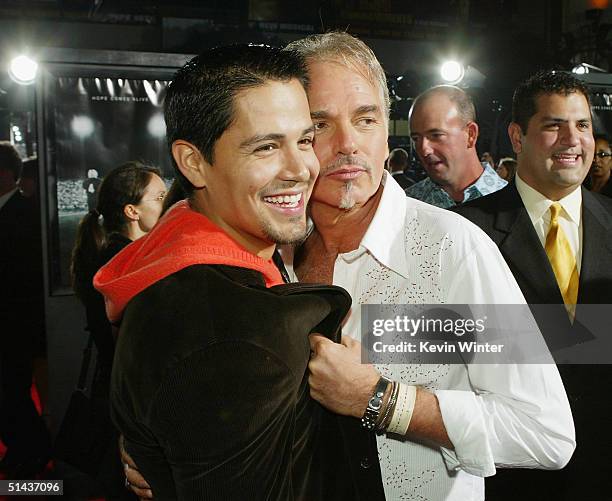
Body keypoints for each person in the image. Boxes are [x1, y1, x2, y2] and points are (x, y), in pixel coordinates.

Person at [122, 35, 575, 501]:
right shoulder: (259, 251)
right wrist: (161, 445)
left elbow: (545, 431)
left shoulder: (450, 250)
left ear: (387, 131)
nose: (347, 145)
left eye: (365, 119)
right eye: (319, 124)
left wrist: (383, 401)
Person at [95, 45, 367, 500]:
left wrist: (382, 399)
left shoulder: (457, 239)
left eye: (305, 138)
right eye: (266, 146)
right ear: (193, 163)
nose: (306, 166)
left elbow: (527, 399)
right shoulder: (231, 315)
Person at [456, 70, 612, 499]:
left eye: (582, 125)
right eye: (553, 125)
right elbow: (437, 339)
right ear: (517, 136)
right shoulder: (466, 231)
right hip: (510, 476)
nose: (572, 139)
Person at [70, 160, 165, 498]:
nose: (168, 204)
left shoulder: (114, 255)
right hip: (131, 410)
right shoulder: (128, 265)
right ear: (132, 211)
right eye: (159, 197)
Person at [0, 142, 51, 479]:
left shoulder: (23, 213)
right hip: (12, 322)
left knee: (11, 390)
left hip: (15, 323)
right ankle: (24, 451)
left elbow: (25, 274)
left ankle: (33, 453)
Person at [406, 85, 507, 208]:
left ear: (471, 134)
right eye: (416, 139)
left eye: (436, 135)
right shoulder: (406, 206)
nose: (424, 149)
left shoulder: (515, 205)